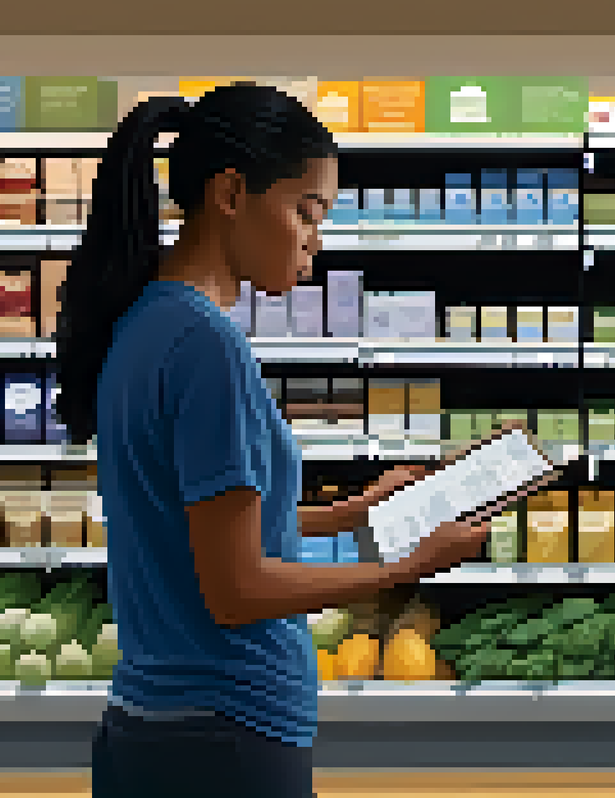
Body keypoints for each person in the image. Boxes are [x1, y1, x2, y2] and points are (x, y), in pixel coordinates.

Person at [53, 85, 492, 798]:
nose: (314, 238)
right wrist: (404, 567)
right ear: (230, 192)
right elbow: (237, 588)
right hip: (222, 740)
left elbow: (202, 529)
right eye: (305, 211)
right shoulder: (204, 345)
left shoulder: (144, 322)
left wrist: (351, 513)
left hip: (158, 727)